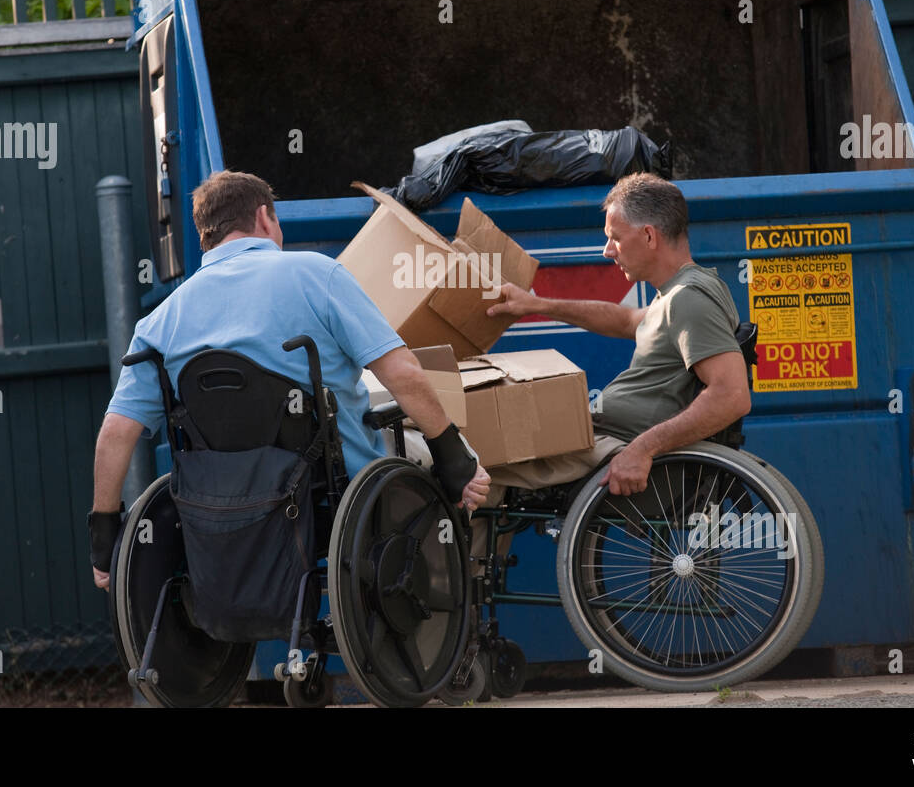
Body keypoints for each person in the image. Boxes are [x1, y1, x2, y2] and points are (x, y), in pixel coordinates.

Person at [89, 170, 489, 588]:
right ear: (264, 217)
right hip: (336, 494)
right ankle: (452, 625)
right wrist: (456, 461)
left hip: (223, 508)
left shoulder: (158, 323)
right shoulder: (318, 275)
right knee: (470, 472)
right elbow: (404, 373)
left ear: (205, 235)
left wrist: (104, 536)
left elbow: (116, 432)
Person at [480, 172, 750, 506]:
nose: (608, 251)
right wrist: (537, 304)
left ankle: (464, 556)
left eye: (615, 238)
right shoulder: (675, 294)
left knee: (471, 461)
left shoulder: (688, 299)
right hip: (602, 439)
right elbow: (626, 319)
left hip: (613, 448)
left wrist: (642, 449)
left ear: (649, 236)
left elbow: (732, 395)